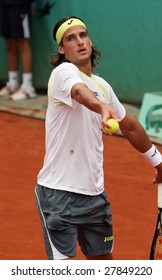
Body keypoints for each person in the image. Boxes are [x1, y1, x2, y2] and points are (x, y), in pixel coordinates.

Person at [35, 15, 162, 260]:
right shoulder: (63, 73)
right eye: (71, 39)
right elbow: (80, 93)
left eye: (83, 35)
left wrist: (158, 161)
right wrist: (102, 108)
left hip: (95, 196)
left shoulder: (102, 86)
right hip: (58, 195)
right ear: (62, 49)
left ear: (90, 42)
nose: (80, 41)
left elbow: (131, 127)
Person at [0, 0, 37, 100]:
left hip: (21, 6)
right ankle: (13, 84)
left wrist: (33, 3)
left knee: (22, 44)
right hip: (4, 6)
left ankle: (28, 87)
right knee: (10, 45)